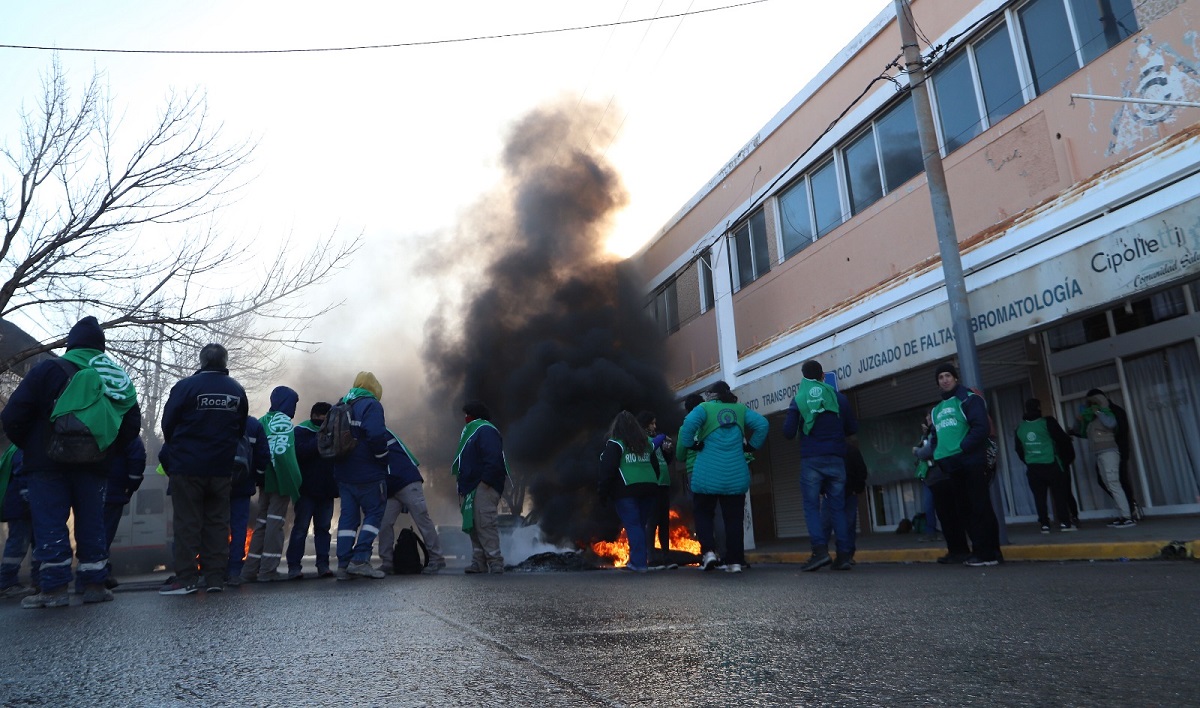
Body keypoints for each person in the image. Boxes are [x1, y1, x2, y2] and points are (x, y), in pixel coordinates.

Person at [1, 316, 142, 608]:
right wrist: (106, 450)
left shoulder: (48, 370)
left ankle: (53, 591)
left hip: (46, 465)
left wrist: (32, 446)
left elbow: (13, 415)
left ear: (71, 343)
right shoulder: (117, 378)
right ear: (101, 347)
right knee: (93, 524)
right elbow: (130, 428)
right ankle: (94, 586)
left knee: (50, 522)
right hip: (95, 466)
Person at [159, 342, 249, 595]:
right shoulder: (237, 390)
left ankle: (187, 579)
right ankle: (214, 579)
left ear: (202, 362)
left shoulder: (185, 387)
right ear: (225, 361)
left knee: (188, 522)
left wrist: (181, 447)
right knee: (218, 523)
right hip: (221, 468)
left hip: (187, 467)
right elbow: (240, 430)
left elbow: (168, 425)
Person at [677, 381, 768, 574]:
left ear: (712, 395)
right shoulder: (740, 409)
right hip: (735, 475)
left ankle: (709, 552)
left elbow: (686, 428)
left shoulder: (704, 408)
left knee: (703, 514)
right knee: (733, 519)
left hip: (706, 476)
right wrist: (751, 446)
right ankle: (734, 562)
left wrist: (692, 445)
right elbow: (762, 424)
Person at [783, 360, 859, 572]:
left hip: (812, 460)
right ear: (823, 376)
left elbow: (788, 433)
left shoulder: (799, 399)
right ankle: (844, 555)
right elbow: (852, 427)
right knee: (838, 507)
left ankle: (820, 552)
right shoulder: (838, 398)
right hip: (836, 459)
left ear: (804, 377)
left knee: (811, 506)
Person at [928, 362, 1001, 567]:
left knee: (980, 507)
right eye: (941, 377)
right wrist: (939, 455)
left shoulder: (969, 398)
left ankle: (987, 553)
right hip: (953, 466)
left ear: (956, 378)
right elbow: (935, 436)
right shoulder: (937, 410)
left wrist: (963, 448)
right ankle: (982, 551)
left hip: (972, 462)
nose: (945, 380)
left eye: (948, 375)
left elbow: (981, 427)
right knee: (966, 510)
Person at [241, 386, 302, 583]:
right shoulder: (283, 422)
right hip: (279, 480)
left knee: (261, 523)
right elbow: (284, 454)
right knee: (276, 525)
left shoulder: (263, 420)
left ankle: (250, 570)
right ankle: (268, 570)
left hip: (263, 479)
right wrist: (294, 482)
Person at [333, 372, 389, 580]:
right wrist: (383, 458)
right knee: (374, 512)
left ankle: (343, 564)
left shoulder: (340, 404)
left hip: (343, 474)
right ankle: (360, 560)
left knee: (347, 519)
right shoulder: (371, 405)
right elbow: (376, 434)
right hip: (369, 474)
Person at [598, 411, 662, 573]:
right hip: (649, 488)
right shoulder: (646, 443)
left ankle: (639, 563)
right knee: (640, 525)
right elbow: (655, 466)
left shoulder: (616, 444)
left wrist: (603, 492)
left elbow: (608, 469)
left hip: (627, 490)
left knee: (633, 525)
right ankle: (640, 560)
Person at [378, 428, 446, 574]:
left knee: (422, 519)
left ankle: (437, 559)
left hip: (407, 482)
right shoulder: (375, 432)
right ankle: (387, 563)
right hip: (391, 487)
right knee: (384, 523)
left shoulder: (377, 432)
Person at [453, 400, 507, 574]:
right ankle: (479, 562)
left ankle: (495, 562)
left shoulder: (485, 430)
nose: (465, 418)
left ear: (474, 416)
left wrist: (485, 483)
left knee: (485, 523)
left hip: (483, 487)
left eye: (467, 415)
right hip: (470, 488)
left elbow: (494, 459)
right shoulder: (471, 433)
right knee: (473, 525)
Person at [286, 402, 337, 579]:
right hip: (305, 490)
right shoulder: (301, 430)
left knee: (323, 529)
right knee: (300, 529)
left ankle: (323, 565)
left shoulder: (334, 432)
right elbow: (300, 452)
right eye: (325, 416)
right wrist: (320, 438)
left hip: (327, 490)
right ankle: (294, 566)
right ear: (316, 415)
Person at [1074, 390, 1135, 528]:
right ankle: (1122, 515)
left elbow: (1111, 424)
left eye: (1094, 402)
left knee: (1113, 482)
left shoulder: (1107, 413)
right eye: (1090, 403)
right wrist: (1079, 420)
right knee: (1108, 484)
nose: (1091, 405)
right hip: (1099, 453)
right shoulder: (1091, 420)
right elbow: (1082, 433)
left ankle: (1127, 516)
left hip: (1110, 452)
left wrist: (1099, 412)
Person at [1014, 398, 1076, 533]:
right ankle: (1065, 523)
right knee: (1059, 494)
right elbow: (1062, 439)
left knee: (1039, 497)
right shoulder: (1047, 422)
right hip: (1051, 463)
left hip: (1033, 467)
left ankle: (1044, 524)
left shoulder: (1020, 427)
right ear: (1038, 407)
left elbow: (1018, 449)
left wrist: (1028, 460)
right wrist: (1066, 459)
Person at [915, 413, 970, 564]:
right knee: (946, 516)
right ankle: (955, 550)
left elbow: (928, 451)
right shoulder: (928, 434)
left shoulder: (938, 432)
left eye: (930, 418)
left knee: (950, 516)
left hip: (942, 477)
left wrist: (917, 452)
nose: (928, 421)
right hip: (934, 479)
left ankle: (959, 550)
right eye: (927, 418)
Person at [227, 415, 269, 585]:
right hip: (243, 485)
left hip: (216, 484)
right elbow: (263, 456)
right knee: (239, 527)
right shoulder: (253, 424)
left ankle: (212, 570)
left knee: (214, 525)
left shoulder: (213, 417)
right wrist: (258, 478)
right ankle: (235, 571)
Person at [101, 436, 147, 589]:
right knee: (104, 534)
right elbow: (137, 454)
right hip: (113, 490)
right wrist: (131, 485)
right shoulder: (122, 423)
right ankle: (97, 577)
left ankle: (88, 576)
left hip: (87, 488)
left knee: (89, 532)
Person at [0, 447, 41, 599]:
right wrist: (30, 499)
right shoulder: (23, 448)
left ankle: (39, 582)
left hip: (20, 507)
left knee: (37, 544)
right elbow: (23, 474)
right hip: (22, 508)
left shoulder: (15, 448)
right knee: (18, 545)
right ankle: (7, 583)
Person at [636, 410, 674, 567]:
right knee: (652, 522)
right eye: (652, 423)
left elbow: (665, 460)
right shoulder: (643, 440)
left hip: (664, 484)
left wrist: (668, 452)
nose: (654, 426)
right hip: (652, 485)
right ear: (645, 425)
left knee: (665, 522)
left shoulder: (656, 440)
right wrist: (661, 438)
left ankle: (666, 557)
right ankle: (651, 558)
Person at [821, 439, 868, 564]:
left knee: (828, 525)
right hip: (844, 494)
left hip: (839, 494)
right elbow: (862, 471)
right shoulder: (851, 450)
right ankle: (845, 555)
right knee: (846, 525)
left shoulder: (828, 452)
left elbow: (861, 471)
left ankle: (822, 554)